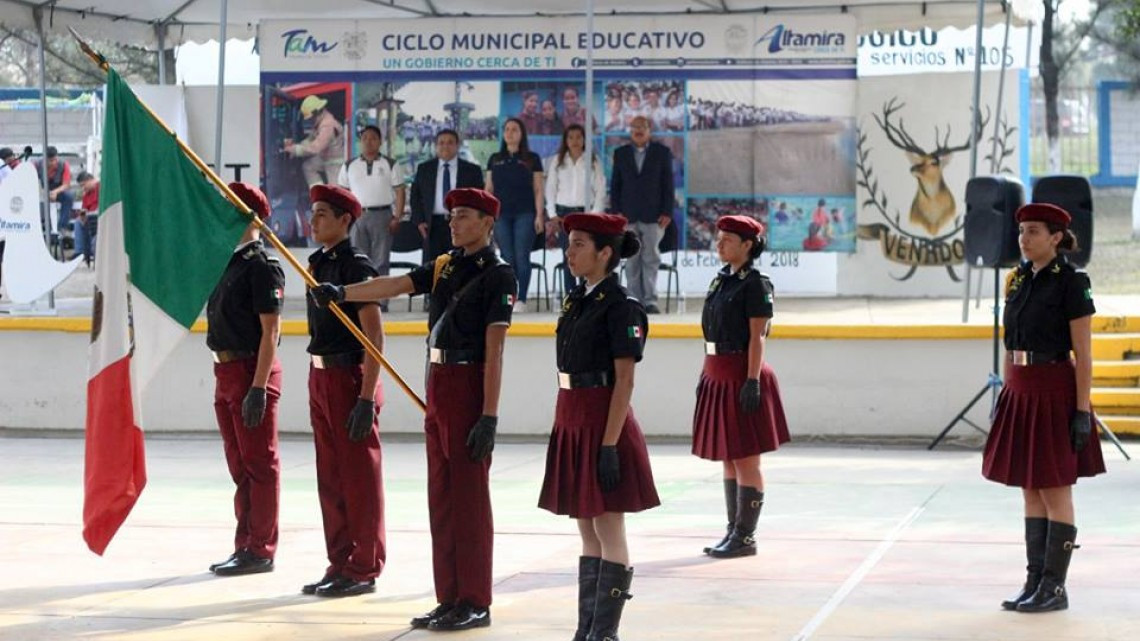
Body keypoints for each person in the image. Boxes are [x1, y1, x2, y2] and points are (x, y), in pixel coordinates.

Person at [311, 188, 517, 631]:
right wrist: (342, 292)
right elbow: (396, 285)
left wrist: (489, 415)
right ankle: (449, 597)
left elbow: (495, 353)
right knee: (440, 497)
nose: (454, 223)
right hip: (439, 381)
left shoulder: (498, 275)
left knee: (469, 500)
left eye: (464, 216)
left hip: (469, 382)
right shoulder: (445, 265)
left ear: (487, 223)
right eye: (453, 215)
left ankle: (475, 599)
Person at [537, 212, 659, 641]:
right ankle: (587, 627)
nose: (569, 253)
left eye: (579, 245)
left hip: (603, 422)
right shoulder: (579, 299)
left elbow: (624, 380)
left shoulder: (622, 306)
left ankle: (605, 632)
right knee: (586, 527)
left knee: (609, 527)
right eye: (569, 244)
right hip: (573, 416)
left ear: (605, 253)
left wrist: (608, 445)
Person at [982, 202, 1106, 613]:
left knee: (1054, 488)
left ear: (1056, 238)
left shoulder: (1071, 281)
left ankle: (1055, 588)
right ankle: (1035, 581)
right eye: (1022, 231)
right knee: (1029, 487)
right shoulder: (1017, 280)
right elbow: (1009, 344)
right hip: (1020, 388)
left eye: (1034, 231)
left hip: (1054, 389)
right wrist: (1003, 396)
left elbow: (1084, 354)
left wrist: (1082, 410)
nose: (1024, 238)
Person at [301, 184, 387, 599]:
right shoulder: (316, 264)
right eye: (313, 212)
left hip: (349, 376)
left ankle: (364, 564)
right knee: (330, 477)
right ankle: (340, 561)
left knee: (358, 478)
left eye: (321, 214)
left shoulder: (356, 267)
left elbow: (374, 335)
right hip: (319, 375)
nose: (313, 220)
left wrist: (367, 397)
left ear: (344, 220)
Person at [692, 215, 790, 559]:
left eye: (728, 240)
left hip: (741, 372)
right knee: (728, 457)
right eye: (719, 238)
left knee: (746, 458)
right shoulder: (722, 281)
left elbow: (757, 337)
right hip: (718, 372)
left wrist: (752, 381)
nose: (719, 244)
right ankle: (733, 530)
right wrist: (706, 377)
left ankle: (745, 536)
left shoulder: (756, 284)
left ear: (748, 245)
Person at [205, 182, 286, 578]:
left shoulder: (261, 265)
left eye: (232, 207)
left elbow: (271, 331)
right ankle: (245, 542)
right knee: (240, 464)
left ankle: (261, 547)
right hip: (225, 370)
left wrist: (257, 387)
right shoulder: (225, 261)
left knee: (259, 463)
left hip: (251, 368)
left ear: (251, 216)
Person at [610, 116, 674, 314]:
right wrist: (617, 211)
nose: (638, 130)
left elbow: (667, 184)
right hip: (627, 215)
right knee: (631, 259)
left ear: (649, 130)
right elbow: (615, 185)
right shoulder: (620, 154)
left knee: (650, 257)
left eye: (642, 127)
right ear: (629, 131)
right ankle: (633, 300)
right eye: (634, 127)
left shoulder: (661, 153)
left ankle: (650, 301)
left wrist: (667, 211)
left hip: (654, 215)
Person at [486, 118, 544, 313]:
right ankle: (508, 296)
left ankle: (522, 299)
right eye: (507, 129)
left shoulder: (532, 158)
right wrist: (487, 217)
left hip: (525, 214)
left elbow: (538, 189)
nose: (510, 133)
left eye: (515, 129)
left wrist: (539, 215)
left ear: (522, 134)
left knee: (521, 256)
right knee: (506, 256)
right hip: (501, 215)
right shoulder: (494, 159)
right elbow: (489, 190)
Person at [337, 125, 406, 284]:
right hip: (357, 217)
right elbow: (342, 195)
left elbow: (400, 192)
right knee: (358, 260)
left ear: (380, 142)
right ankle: (361, 300)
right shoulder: (349, 165)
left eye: (373, 138)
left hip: (382, 216)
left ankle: (381, 302)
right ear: (360, 142)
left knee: (381, 260)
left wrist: (397, 218)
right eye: (365, 138)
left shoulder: (390, 164)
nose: (369, 142)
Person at [545, 124, 606, 296]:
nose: (575, 141)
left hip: (585, 213)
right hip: (564, 215)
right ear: (565, 140)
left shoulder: (592, 160)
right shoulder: (558, 160)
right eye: (570, 137)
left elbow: (600, 189)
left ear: (585, 140)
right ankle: (571, 296)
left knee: (587, 256)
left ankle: (587, 294)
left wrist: (594, 215)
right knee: (569, 256)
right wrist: (553, 214)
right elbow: (550, 188)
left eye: (579, 137)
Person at [410, 129, 486, 264]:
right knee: (432, 268)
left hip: (461, 224)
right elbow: (415, 196)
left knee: (460, 266)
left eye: (450, 142)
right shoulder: (424, 169)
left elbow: (479, 200)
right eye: (441, 143)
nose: (445, 146)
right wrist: (419, 221)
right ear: (436, 146)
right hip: (432, 225)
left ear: (457, 146)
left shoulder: (472, 170)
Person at [286, 95, 346, 187]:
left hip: (335, 162)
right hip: (325, 157)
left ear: (316, 112)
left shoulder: (327, 125)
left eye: (310, 118)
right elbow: (311, 138)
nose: (310, 120)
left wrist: (296, 150)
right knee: (308, 166)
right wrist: (297, 146)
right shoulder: (320, 121)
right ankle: (319, 192)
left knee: (336, 192)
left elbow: (315, 148)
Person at [35, 146, 72, 235]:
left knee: (68, 197)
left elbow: (66, 184)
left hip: (59, 191)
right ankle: (41, 227)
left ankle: (62, 227)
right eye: (50, 161)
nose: (54, 162)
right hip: (42, 191)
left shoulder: (63, 165)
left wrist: (55, 192)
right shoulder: (37, 165)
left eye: (55, 159)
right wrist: (44, 193)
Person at [71, 172, 100, 266]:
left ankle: (93, 250)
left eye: (83, 185)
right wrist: (82, 216)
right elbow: (84, 210)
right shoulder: (86, 195)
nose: (83, 188)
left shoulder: (101, 187)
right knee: (78, 222)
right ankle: (79, 252)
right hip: (90, 218)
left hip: (100, 217)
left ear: (90, 180)